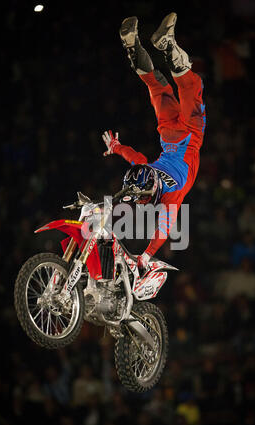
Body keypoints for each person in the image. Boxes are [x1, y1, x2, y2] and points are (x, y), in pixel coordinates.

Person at [102, 13, 206, 270]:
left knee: (191, 86)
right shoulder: (143, 175)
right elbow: (134, 157)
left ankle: (168, 45)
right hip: (168, 134)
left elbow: (163, 228)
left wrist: (147, 255)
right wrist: (116, 147)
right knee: (156, 84)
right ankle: (132, 46)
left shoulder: (171, 195)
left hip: (189, 136)